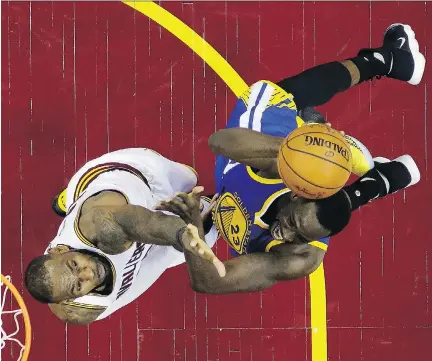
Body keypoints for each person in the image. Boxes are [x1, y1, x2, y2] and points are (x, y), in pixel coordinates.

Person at [157, 23, 424, 294]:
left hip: (241, 194)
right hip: (268, 151)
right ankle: (383, 61)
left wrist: (193, 228)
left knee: (333, 209)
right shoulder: (279, 166)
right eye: (292, 224)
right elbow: (218, 141)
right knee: (270, 93)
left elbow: (209, 282)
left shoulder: (303, 257)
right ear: (298, 193)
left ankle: (386, 174)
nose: (287, 235)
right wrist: (296, 149)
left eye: (301, 237)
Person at [24, 149, 223, 325]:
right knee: (215, 218)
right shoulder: (78, 304)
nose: (88, 274)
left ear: (60, 250)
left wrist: (184, 235)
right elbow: (58, 303)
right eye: (78, 285)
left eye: (74, 265)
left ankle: (70, 198)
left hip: (141, 176)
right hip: (146, 249)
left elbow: (145, 223)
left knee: (190, 177)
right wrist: (195, 227)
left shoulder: (101, 226)